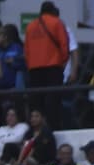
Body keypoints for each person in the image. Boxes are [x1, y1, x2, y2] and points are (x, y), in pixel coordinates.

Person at [25, 2, 71, 130]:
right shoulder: (57, 23)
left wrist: (31, 65)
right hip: (53, 66)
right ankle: (53, 128)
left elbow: (27, 51)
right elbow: (64, 46)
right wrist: (62, 62)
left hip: (34, 69)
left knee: (36, 102)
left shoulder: (30, 26)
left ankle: (36, 129)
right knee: (53, 101)